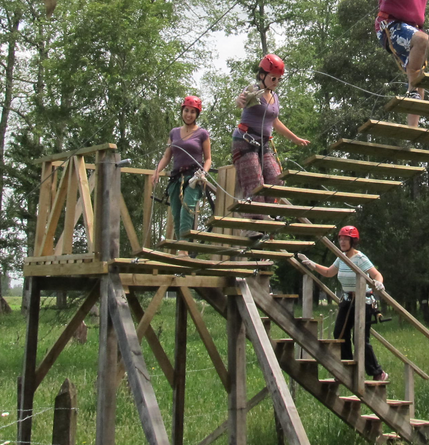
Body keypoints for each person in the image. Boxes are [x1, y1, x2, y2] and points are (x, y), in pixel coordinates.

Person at [297, 225, 389, 383]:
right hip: (347, 301)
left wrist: (379, 284)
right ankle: (347, 368)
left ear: (353, 241)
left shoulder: (360, 258)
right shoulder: (341, 257)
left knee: (360, 338)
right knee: (339, 333)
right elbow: (328, 272)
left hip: (363, 302)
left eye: (346, 239)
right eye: (340, 239)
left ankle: (377, 372)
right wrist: (311, 264)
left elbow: (376, 274)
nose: (342, 242)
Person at [232, 53, 310, 211]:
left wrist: (295, 139)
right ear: (262, 75)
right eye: (273, 78)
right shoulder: (254, 90)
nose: (276, 82)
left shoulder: (274, 96)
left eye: (279, 79)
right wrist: (238, 101)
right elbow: (241, 100)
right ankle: (252, 223)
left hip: (264, 143)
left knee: (276, 179)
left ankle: (267, 214)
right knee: (255, 183)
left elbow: (275, 121)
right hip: (245, 142)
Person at [151, 95, 213, 239]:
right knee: (177, 214)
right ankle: (181, 246)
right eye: (186, 110)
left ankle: (184, 249)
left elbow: (208, 158)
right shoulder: (174, 132)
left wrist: (203, 173)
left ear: (197, 114)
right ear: (182, 111)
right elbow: (167, 156)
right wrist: (156, 172)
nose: (189, 114)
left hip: (193, 176)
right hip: (176, 178)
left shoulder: (202, 134)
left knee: (187, 208)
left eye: (192, 112)